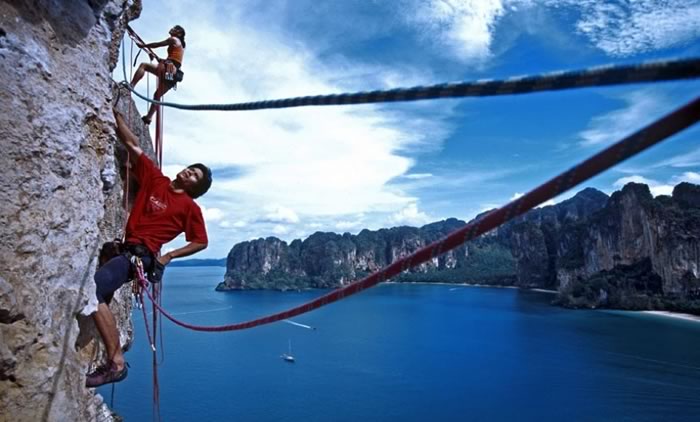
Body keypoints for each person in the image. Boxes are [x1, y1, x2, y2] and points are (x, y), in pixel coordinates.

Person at [86, 108, 212, 388]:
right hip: (124, 249)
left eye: (195, 176)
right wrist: (114, 114)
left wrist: (168, 256)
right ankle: (114, 358)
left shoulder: (190, 208)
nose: (189, 172)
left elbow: (201, 241)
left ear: (195, 188)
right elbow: (133, 145)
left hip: (137, 258)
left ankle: (116, 363)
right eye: (191, 169)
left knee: (92, 291)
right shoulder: (156, 179)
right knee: (100, 297)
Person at [130, 25, 186, 125]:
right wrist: (161, 59)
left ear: (179, 33)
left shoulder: (173, 39)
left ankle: (131, 86)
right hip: (173, 75)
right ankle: (148, 118)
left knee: (144, 66)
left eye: (175, 29)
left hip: (167, 69)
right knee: (157, 95)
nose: (172, 29)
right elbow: (175, 60)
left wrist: (143, 46)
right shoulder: (180, 46)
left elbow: (157, 44)